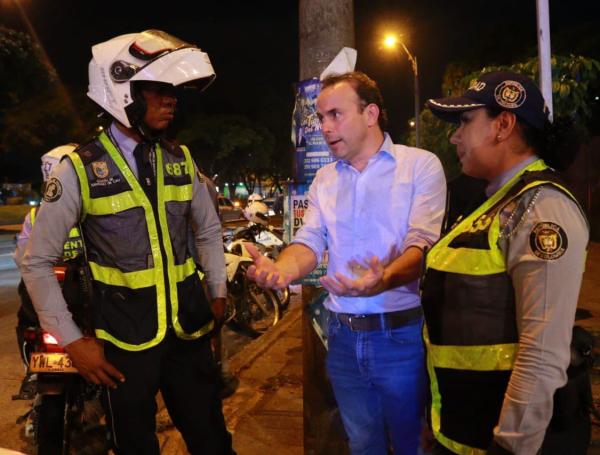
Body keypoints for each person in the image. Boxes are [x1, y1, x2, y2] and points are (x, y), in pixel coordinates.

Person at [21, 30, 234, 455]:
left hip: (189, 333)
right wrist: (72, 341)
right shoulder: (78, 169)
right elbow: (37, 260)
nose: (171, 99)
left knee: (213, 443)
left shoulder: (181, 159)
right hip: (123, 345)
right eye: (158, 90)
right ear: (122, 91)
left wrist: (217, 290)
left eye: (172, 91)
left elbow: (208, 232)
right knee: (135, 448)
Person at [247, 71, 447, 454]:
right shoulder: (325, 179)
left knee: (413, 444)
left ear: (370, 113)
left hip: (400, 337)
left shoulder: (419, 166)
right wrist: (282, 270)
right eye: (321, 117)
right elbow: (309, 241)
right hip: (341, 337)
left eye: (335, 114)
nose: (325, 126)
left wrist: (384, 278)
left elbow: (422, 246)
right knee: (361, 443)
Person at [422, 71, 589, 455]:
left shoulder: (541, 208)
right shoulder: (494, 201)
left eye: (465, 121)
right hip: (463, 431)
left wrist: (512, 446)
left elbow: (542, 353)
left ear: (503, 125)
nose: (454, 136)